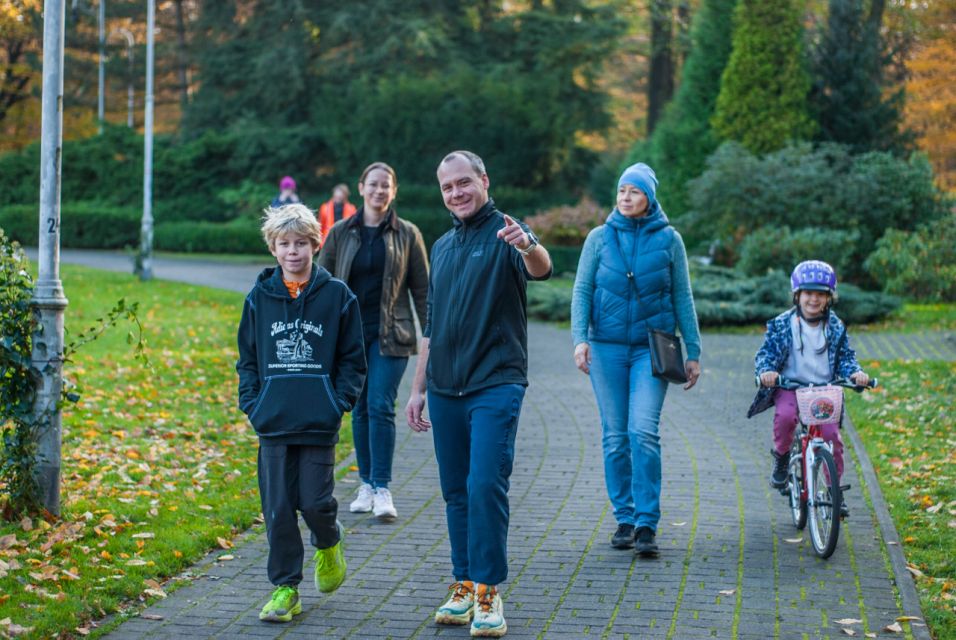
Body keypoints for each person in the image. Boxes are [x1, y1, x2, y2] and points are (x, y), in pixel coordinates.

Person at [405, 150, 552, 638]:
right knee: (455, 491)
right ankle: (464, 583)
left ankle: (489, 589)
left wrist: (529, 244)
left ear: (484, 181)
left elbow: (541, 267)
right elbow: (432, 324)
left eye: (463, 182)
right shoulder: (443, 246)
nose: (456, 193)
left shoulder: (509, 231)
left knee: (485, 483)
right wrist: (418, 389)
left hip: (496, 382)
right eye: (447, 187)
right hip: (445, 387)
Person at [236, 204, 367, 623]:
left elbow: (353, 359)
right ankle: (285, 589)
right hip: (273, 422)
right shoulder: (259, 298)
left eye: (300, 244)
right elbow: (247, 359)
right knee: (278, 509)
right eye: (284, 244)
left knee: (314, 503)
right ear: (273, 249)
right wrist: (253, 403)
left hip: (317, 421)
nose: (293, 252)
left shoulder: (338, 296)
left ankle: (328, 542)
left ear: (315, 244)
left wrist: (337, 402)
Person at [570, 162, 701, 557]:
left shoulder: (670, 240)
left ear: (650, 198)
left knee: (642, 431)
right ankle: (624, 518)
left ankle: (646, 523)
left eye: (635, 191)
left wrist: (693, 351)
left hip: (651, 350)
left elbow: (682, 296)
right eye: (622, 190)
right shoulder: (599, 238)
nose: (626, 198)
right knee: (615, 437)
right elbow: (582, 291)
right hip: (606, 348)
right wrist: (579, 340)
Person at [319, 162, 429, 521]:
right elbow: (322, 284)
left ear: (393, 192)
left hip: (391, 336)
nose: (379, 191)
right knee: (361, 408)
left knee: (380, 405)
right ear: (361, 188)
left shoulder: (408, 234)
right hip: (349, 336)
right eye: (374, 184)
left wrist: (432, 335)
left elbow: (423, 291)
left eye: (386, 185)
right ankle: (365, 484)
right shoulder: (340, 232)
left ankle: (382, 487)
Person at [748, 260, 869, 516]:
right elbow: (767, 353)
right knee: (785, 416)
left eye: (821, 294)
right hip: (790, 386)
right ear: (797, 295)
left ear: (829, 298)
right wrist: (766, 371)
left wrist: (855, 374)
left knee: (831, 438)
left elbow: (846, 357)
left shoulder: (834, 326)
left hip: (824, 390)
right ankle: (782, 458)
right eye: (808, 293)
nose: (814, 299)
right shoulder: (783, 324)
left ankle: (834, 490)